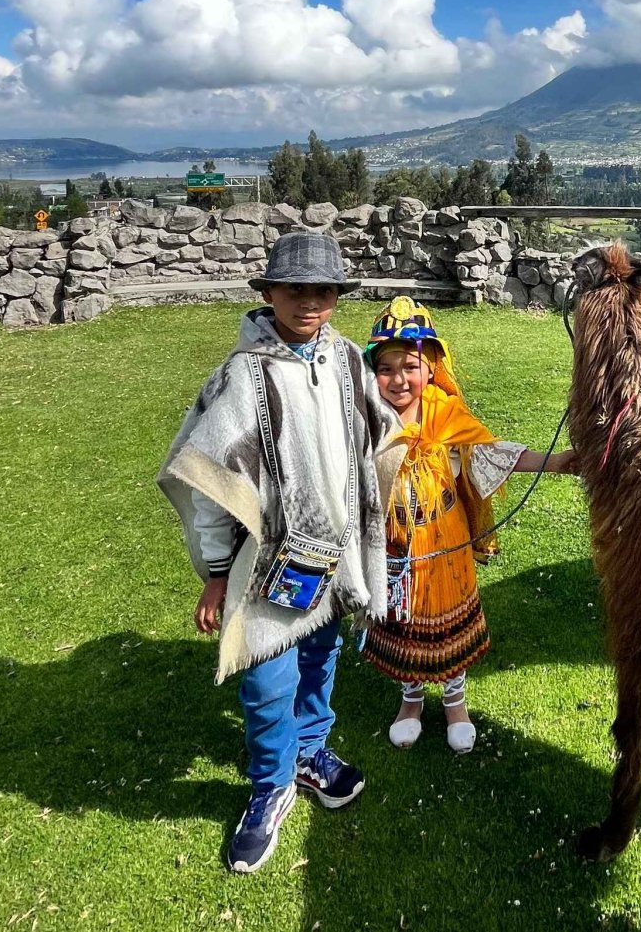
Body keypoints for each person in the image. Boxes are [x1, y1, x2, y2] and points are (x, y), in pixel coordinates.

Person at [158, 232, 398, 874]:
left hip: (335, 551)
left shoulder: (348, 361)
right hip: (268, 560)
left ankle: (311, 752)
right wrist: (214, 573)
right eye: (296, 290)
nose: (309, 303)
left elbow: (383, 435)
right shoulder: (242, 377)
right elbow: (207, 478)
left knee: (321, 655)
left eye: (323, 290)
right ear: (269, 293)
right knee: (268, 676)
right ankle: (271, 787)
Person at [361, 297, 574, 754]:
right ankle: (411, 702)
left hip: (445, 544)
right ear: (371, 371)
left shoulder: (445, 414)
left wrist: (556, 462)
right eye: (386, 367)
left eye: (410, 366)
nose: (399, 379)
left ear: (431, 366)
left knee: (445, 624)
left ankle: (455, 703)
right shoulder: (364, 421)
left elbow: (495, 453)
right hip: (394, 547)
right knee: (403, 621)